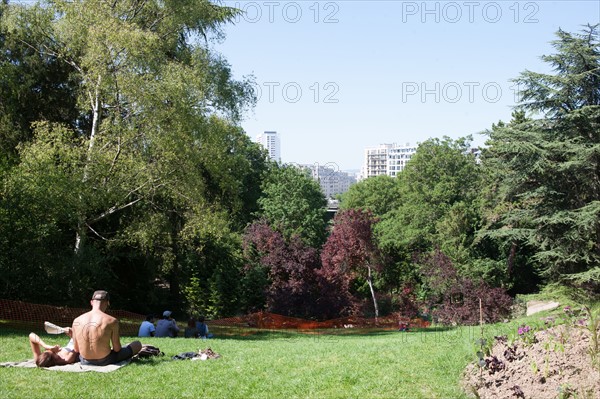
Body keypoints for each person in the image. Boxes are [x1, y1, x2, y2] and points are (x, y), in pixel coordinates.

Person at [71, 290, 142, 366]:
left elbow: (76, 349)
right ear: (107, 303)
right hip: (106, 360)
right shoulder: (112, 321)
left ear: (91, 302)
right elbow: (117, 349)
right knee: (137, 344)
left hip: (85, 361)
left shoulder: (76, 320)